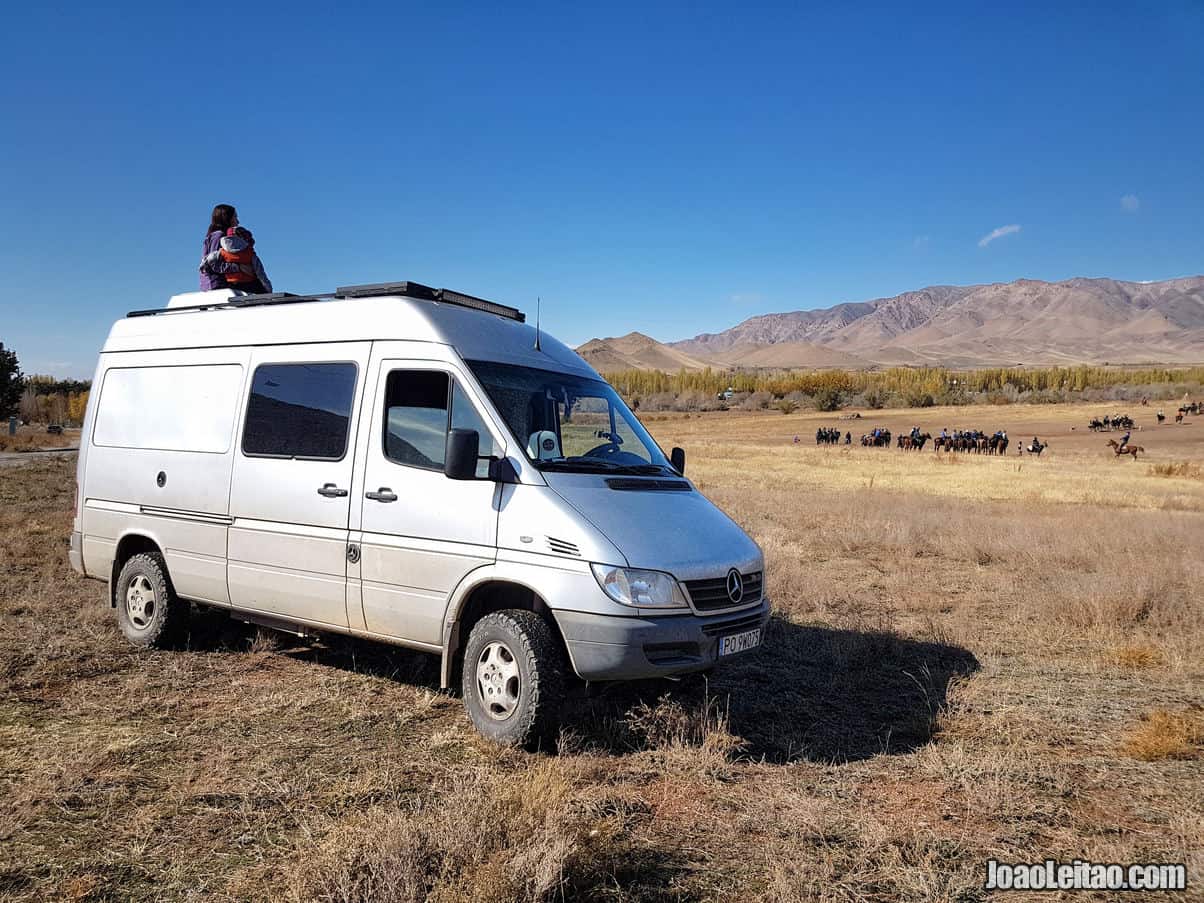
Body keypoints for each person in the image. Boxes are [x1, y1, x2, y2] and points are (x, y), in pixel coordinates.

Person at [204, 225, 272, 294]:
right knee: (260, 288)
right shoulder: (249, 253)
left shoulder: (222, 252)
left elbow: (208, 262)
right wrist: (268, 289)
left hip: (230, 285)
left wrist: (203, 266)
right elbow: (260, 273)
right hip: (249, 285)